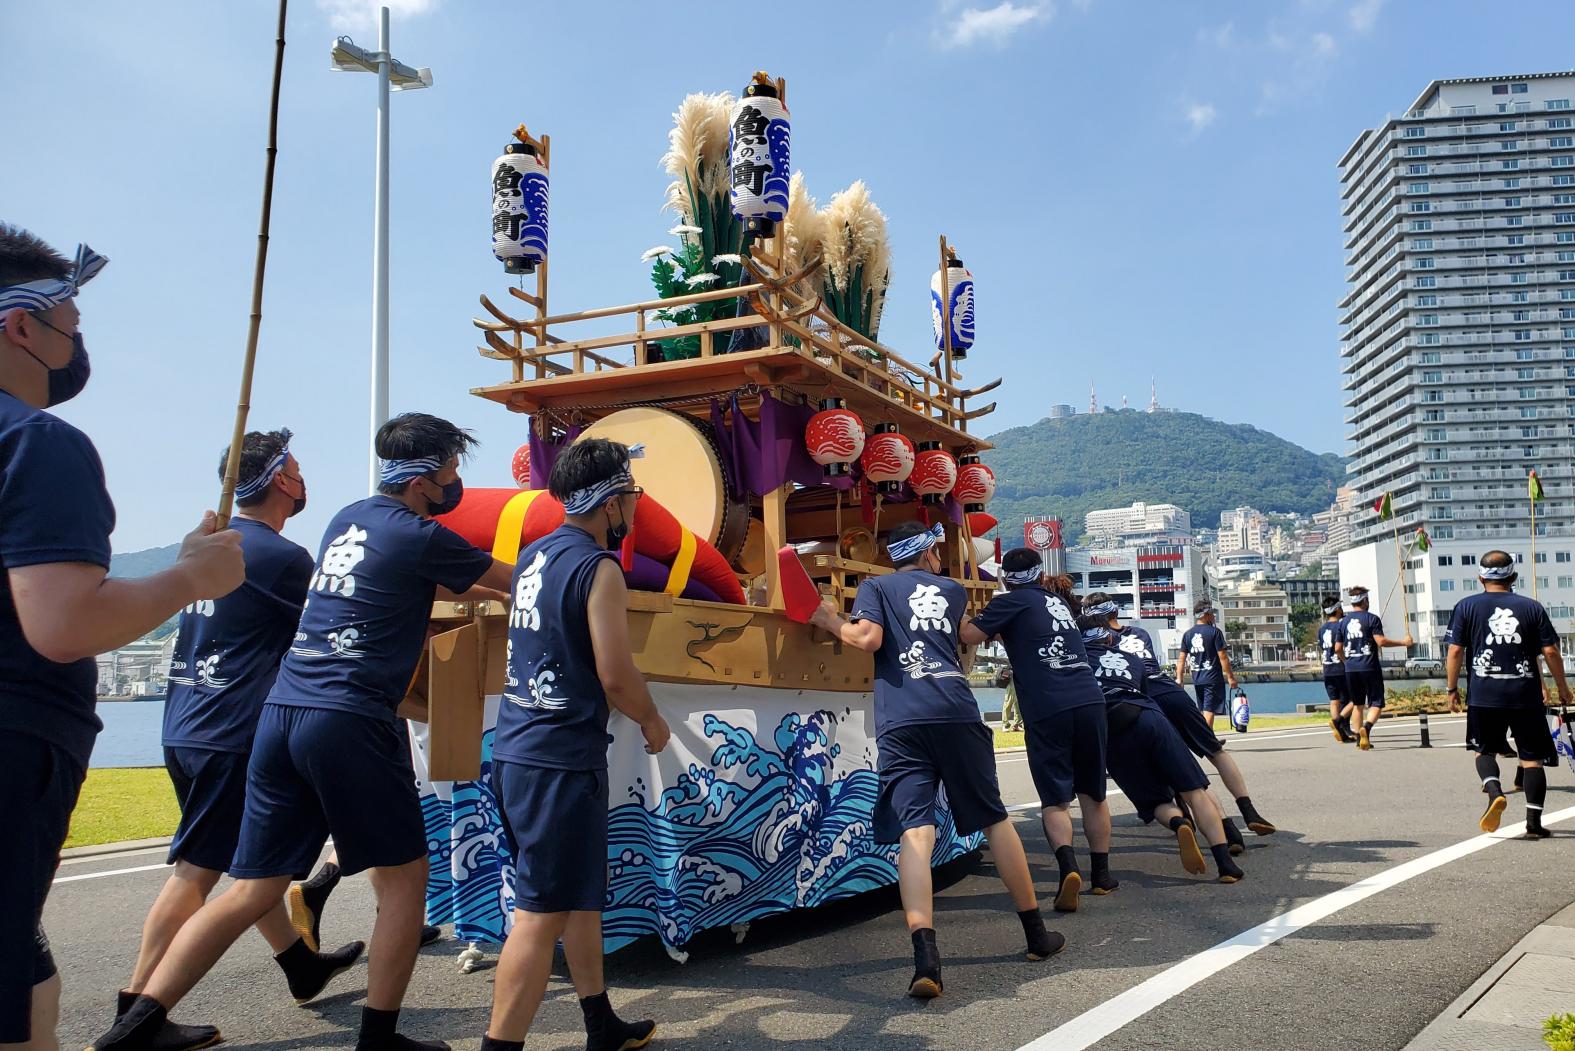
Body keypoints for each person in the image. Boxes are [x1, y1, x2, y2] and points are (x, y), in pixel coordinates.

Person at [94, 413, 515, 1051]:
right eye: (452, 471)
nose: (457, 483)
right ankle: (379, 1036)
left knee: (251, 886)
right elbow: (518, 581)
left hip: (279, 713)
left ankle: (132, 1028)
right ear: (426, 479)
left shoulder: (345, 519)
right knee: (406, 879)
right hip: (348, 717)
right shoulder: (420, 535)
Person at [0, 227, 244, 1051]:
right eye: (72, 317)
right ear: (21, 326)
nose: (79, 340)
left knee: (31, 976)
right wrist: (185, 577)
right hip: (13, 746)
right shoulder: (37, 443)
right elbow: (64, 623)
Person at [112, 431, 364, 1051]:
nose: (305, 481)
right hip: (232, 732)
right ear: (281, 479)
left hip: (186, 724)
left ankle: (299, 965)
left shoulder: (210, 547)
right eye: (299, 471)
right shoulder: (280, 557)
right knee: (202, 872)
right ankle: (137, 1011)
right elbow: (335, 626)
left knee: (255, 860)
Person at [811, 521, 1065, 999]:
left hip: (902, 720)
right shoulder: (950, 589)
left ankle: (926, 961)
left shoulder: (876, 586)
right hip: (955, 710)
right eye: (937, 551)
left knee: (916, 834)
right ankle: (1036, 935)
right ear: (928, 554)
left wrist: (827, 619)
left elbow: (866, 639)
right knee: (993, 819)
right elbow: (963, 637)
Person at [480, 438, 668, 1051]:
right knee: (539, 917)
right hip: (558, 761)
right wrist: (651, 721)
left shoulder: (534, 556)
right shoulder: (599, 567)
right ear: (611, 503)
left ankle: (599, 1021)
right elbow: (615, 674)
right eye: (632, 497)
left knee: (578, 897)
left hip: (516, 750)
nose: (636, 510)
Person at [961, 548, 1114, 912]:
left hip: (1049, 705)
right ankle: (1103, 876)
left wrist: (959, 606)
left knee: (1056, 799)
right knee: (1095, 795)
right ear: (1040, 574)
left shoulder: (1011, 601)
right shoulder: (1055, 602)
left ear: (1005, 578)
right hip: (1090, 700)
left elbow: (968, 635)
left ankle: (1068, 869)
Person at [1085, 592, 1274, 845]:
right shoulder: (1140, 634)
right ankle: (1248, 810)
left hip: (1138, 701)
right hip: (1169, 691)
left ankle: (1228, 830)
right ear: (1115, 611)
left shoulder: (1096, 644)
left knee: (1185, 774)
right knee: (1215, 752)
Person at [1081, 615, 1245, 884]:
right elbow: (1144, 691)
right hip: (1149, 717)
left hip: (1111, 733)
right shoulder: (1132, 660)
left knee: (1154, 800)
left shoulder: (1078, 665)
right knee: (1194, 792)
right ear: (1109, 637)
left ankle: (1179, 824)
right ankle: (1226, 864)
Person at [1445, 550, 1573, 838]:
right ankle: (1533, 824)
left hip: (1483, 694)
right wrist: (1562, 688)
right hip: (1524, 695)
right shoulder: (1531, 607)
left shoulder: (1466, 606)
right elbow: (1550, 651)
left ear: (1480, 578)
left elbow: (1455, 651)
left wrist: (1452, 689)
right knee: (1532, 759)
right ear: (1513, 577)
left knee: (1483, 750)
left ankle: (1494, 791)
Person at [1339, 585, 1412, 751]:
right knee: (1376, 703)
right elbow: (1381, 642)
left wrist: (1347, 661)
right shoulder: (1372, 619)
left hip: (1351, 668)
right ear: (1365, 600)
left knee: (1357, 704)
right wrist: (1403, 642)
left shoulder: (1343, 622)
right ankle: (1367, 728)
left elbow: (1337, 648)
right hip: (1369, 667)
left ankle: (1359, 739)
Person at [1176, 601, 1238, 731]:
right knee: (1209, 709)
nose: (1213, 616)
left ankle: (1208, 739)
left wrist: (1179, 679)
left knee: (1203, 709)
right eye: (1211, 614)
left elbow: (1181, 659)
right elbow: (1223, 657)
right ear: (1205, 615)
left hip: (1197, 678)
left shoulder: (1187, 634)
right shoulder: (1215, 632)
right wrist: (1230, 677)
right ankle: (1207, 741)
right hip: (1212, 678)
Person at [1317, 596, 1355, 743]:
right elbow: (1341, 647)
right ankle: (1340, 724)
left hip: (1327, 668)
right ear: (1337, 609)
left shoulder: (1322, 629)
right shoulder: (1341, 626)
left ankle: (1340, 731)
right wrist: (1346, 661)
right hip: (1341, 668)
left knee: (1334, 701)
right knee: (1353, 699)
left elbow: (1322, 646)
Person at [999, 666, 1022, 732]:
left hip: (1018, 679)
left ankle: (1017, 725)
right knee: (1008, 703)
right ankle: (1005, 724)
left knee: (1018, 704)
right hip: (1011, 678)